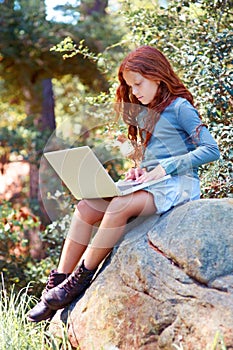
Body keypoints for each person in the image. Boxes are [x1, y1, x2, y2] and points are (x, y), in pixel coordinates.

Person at [27, 45, 220, 322]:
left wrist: (164, 168)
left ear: (157, 76)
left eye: (138, 84)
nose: (135, 92)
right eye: (130, 87)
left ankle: (77, 282)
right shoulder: (147, 111)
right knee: (86, 206)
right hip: (154, 184)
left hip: (178, 185)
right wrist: (139, 171)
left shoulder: (181, 108)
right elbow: (156, 157)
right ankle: (56, 284)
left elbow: (211, 150)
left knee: (119, 205)